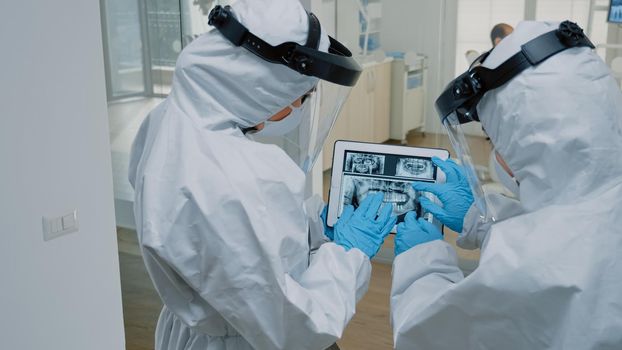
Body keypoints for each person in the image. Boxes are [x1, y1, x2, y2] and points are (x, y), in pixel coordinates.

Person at [128, 1, 396, 349]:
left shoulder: (169, 121)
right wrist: (347, 253)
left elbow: (230, 248)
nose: (298, 107)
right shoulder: (228, 179)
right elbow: (295, 327)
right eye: (300, 96)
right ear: (260, 85)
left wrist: (311, 226)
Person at [391, 21, 622, 349]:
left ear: (529, 142)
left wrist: (421, 261)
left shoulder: (528, 269)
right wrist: (480, 219)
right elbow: (567, 233)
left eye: (493, 137)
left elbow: (427, 336)